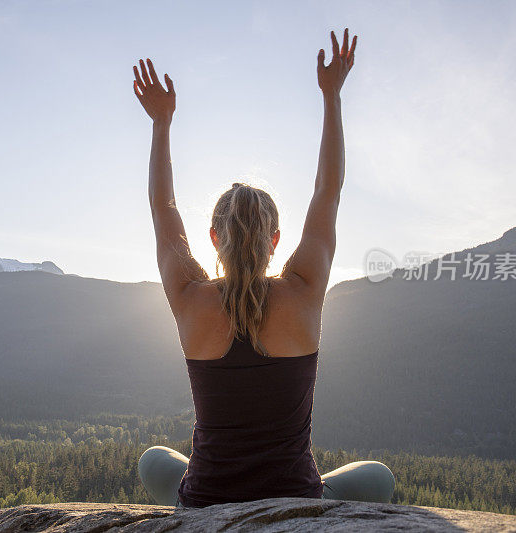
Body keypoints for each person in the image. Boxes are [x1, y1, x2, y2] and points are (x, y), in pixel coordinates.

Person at [132, 28, 395, 508]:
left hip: (207, 498)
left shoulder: (190, 296)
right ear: (275, 239)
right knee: (377, 477)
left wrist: (161, 123)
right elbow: (328, 192)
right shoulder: (303, 289)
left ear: (215, 237)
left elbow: (162, 207)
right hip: (296, 497)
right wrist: (332, 96)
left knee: (153, 460)